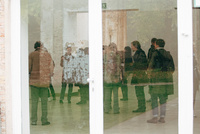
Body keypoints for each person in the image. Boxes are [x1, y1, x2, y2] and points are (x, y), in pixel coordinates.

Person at [147, 39, 175, 123]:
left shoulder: (155, 53)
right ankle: (162, 117)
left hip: (156, 79)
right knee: (163, 98)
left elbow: (151, 66)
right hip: (166, 79)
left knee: (154, 97)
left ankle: (155, 116)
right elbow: (172, 68)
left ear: (156, 45)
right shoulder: (168, 54)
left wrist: (150, 74)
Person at [29, 41, 54, 125]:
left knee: (34, 101)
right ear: (41, 46)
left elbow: (28, 68)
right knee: (44, 102)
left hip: (34, 81)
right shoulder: (47, 54)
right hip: (44, 82)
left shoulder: (31, 55)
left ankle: (33, 120)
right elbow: (51, 67)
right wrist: (48, 76)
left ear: (35, 47)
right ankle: (44, 120)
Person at [131, 41, 148, 113]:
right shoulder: (140, 53)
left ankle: (141, 107)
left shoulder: (140, 53)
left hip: (139, 75)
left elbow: (141, 64)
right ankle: (141, 106)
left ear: (135, 46)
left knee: (139, 91)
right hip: (138, 74)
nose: (131, 47)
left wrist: (134, 66)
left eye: (132, 46)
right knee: (139, 91)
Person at [104, 43, 121, 114]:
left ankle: (107, 108)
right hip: (115, 77)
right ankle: (116, 109)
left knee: (107, 93)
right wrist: (118, 75)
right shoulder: (117, 56)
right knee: (115, 94)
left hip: (108, 77)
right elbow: (118, 66)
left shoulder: (106, 56)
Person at [146, 38, 157, 102]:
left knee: (152, 83)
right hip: (153, 68)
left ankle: (153, 96)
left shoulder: (151, 50)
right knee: (152, 83)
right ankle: (153, 96)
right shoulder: (153, 50)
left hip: (152, 69)